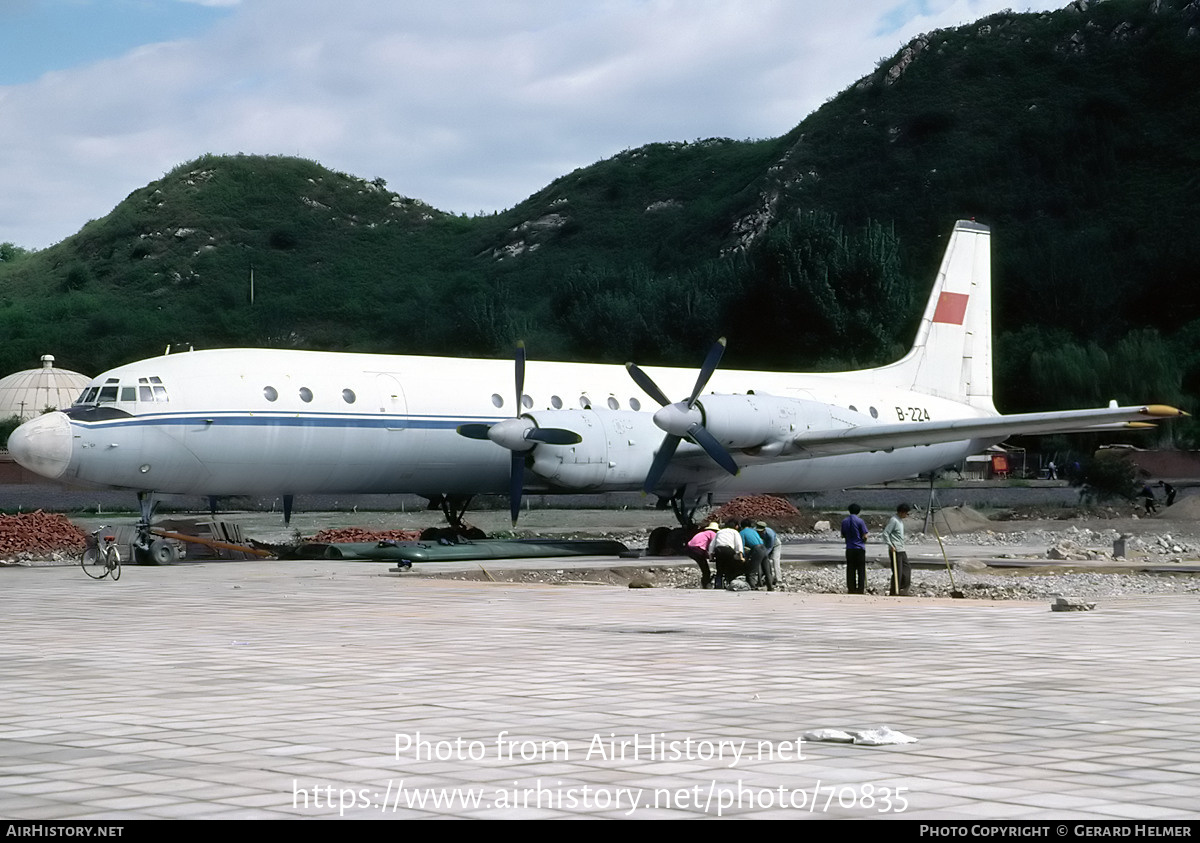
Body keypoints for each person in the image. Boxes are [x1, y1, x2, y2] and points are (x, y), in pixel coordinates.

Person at [883, 503, 911, 596]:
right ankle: (895, 590)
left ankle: (903, 588)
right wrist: (890, 545)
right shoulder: (894, 520)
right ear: (901, 512)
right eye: (906, 513)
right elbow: (885, 533)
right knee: (897, 571)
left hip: (901, 548)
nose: (907, 515)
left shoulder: (900, 521)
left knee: (906, 569)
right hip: (895, 549)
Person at [840, 503, 869, 594]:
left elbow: (842, 535)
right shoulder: (860, 521)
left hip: (849, 548)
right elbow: (865, 535)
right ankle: (860, 589)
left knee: (850, 569)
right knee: (861, 569)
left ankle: (851, 588)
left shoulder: (844, 521)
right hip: (859, 548)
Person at [709, 520, 744, 589]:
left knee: (719, 570)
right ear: (735, 526)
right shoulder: (735, 532)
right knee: (730, 568)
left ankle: (718, 585)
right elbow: (739, 544)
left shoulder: (719, 531)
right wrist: (741, 557)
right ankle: (730, 584)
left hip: (718, 550)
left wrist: (711, 557)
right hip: (728, 550)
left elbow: (712, 545)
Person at [684, 523, 718, 588]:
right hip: (698, 550)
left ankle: (705, 583)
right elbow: (714, 545)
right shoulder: (712, 533)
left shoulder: (703, 533)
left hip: (689, 549)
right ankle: (706, 584)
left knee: (704, 566)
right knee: (706, 570)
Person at [739, 518, 770, 590]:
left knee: (751, 572)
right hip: (763, 548)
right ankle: (770, 587)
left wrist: (743, 557)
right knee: (766, 570)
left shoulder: (742, 533)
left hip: (756, 549)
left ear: (741, 526)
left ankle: (752, 588)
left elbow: (741, 546)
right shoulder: (754, 531)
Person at [756, 520, 781, 589]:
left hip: (775, 545)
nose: (760, 532)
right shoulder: (755, 531)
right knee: (764, 562)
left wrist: (764, 554)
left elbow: (770, 547)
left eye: (761, 531)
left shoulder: (770, 534)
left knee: (775, 560)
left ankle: (779, 579)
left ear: (764, 529)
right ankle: (763, 578)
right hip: (765, 545)